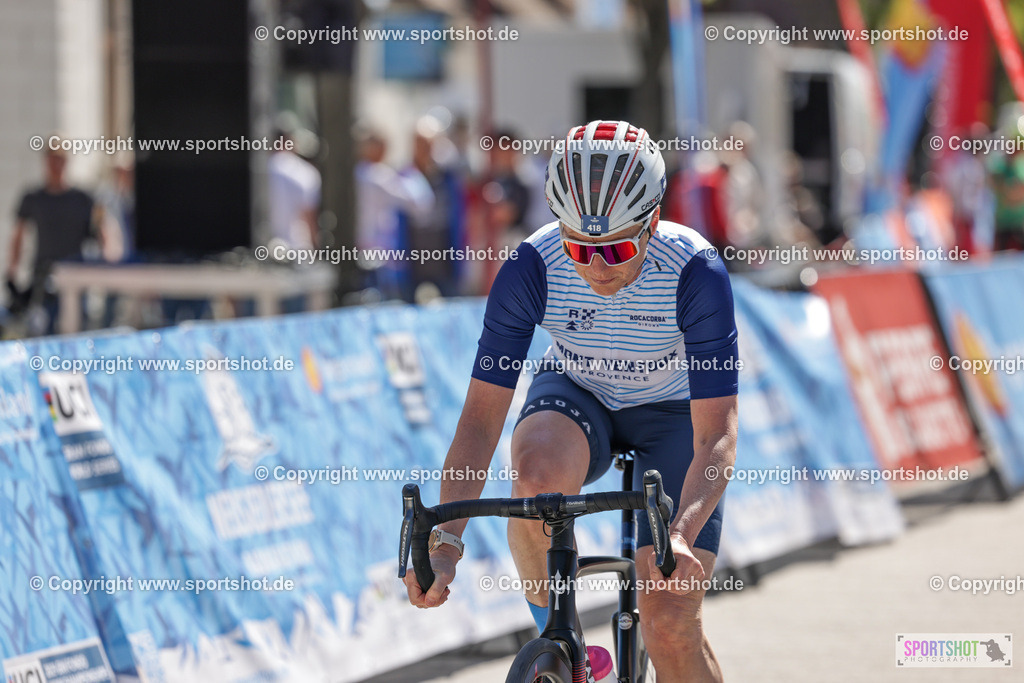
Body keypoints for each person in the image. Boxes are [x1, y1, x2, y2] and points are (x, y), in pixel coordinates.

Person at [404, 121, 738, 682]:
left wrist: (680, 534)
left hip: (675, 415)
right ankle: (567, 647)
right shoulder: (531, 266)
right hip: (579, 392)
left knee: (669, 620)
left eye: (618, 248)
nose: (597, 268)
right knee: (535, 478)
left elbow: (718, 434)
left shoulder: (695, 271)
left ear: (654, 221)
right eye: (579, 247)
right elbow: (481, 421)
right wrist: (444, 542)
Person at [8, 143, 96, 334]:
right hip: (43, 276)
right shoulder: (33, 197)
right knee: (41, 333)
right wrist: (12, 272)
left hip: (76, 275)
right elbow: (19, 235)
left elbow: (100, 233)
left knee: (77, 334)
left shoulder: (82, 198)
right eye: (52, 159)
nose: (56, 164)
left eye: (60, 159)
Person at [267, 128, 321, 250]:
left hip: (263, 248)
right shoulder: (305, 172)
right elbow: (310, 216)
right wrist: (317, 246)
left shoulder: (260, 171)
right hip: (297, 248)